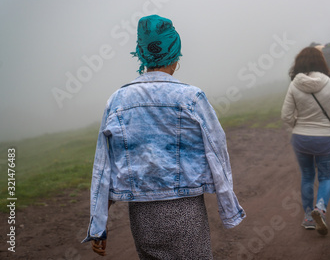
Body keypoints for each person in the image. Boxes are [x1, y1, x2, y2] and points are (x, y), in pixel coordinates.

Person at [82, 15, 245, 259]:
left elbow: (103, 167)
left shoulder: (117, 101)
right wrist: (228, 209)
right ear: (176, 55)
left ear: (141, 54)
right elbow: (216, 149)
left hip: (142, 216)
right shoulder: (191, 97)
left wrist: (98, 226)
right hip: (186, 210)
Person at [281, 47, 330, 235]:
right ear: (322, 61)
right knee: (326, 176)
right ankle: (321, 208)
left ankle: (309, 217)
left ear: (300, 63)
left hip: (301, 139)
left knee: (308, 176)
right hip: (326, 139)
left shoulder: (295, 84)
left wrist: (298, 125)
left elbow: (285, 115)